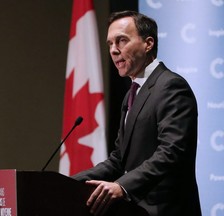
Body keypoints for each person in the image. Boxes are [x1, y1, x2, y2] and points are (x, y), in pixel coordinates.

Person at [72, 10, 202, 216]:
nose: (114, 50)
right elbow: (119, 159)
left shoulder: (171, 86)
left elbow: (171, 152)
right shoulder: (133, 92)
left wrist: (122, 186)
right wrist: (69, 182)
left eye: (121, 41)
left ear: (148, 44)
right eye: (110, 44)